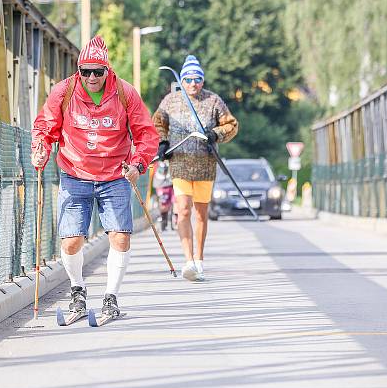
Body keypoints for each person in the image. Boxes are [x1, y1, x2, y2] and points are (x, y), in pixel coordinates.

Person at [31, 35, 159, 317]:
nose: (91, 77)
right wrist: (40, 148)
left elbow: (146, 134)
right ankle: (77, 290)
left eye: (97, 72)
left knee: (120, 237)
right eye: (85, 71)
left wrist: (138, 165)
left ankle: (111, 297)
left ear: (107, 70)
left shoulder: (125, 93)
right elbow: (45, 126)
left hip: (115, 175)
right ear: (79, 70)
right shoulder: (63, 92)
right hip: (75, 173)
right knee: (71, 241)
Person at [153, 55, 238, 281]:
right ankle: (188, 260)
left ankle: (199, 260)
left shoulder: (213, 101)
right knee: (183, 210)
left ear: (202, 80)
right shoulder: (171, 100)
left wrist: (215, 134)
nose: (193, 83)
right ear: (182, 80)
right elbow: (157, 122)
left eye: (197, 79)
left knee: (201, 214)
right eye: (188, 79)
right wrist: (162, 142)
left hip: (205, 166)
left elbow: (231, 124)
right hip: (180, 164)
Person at [152, 161, 175, 231]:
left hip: (165, 184)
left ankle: (164, 224)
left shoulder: (158, 162)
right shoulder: (157, 163)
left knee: (166, 205)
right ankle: (162, 223)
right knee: (163, 205)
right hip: (162, 185)